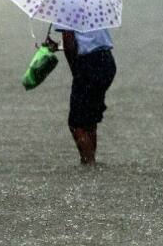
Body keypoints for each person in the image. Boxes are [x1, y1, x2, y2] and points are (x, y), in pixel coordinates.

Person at [48, 28, 116, 166]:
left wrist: (76, 71)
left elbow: (69, 42)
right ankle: (90, 162)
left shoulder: (66, 8)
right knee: (89, 120)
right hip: (107, 61)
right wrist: (57, 46)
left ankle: (89, 164)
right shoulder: (95, 7)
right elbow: (89, 40)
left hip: (88, 64)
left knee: (76, 123)